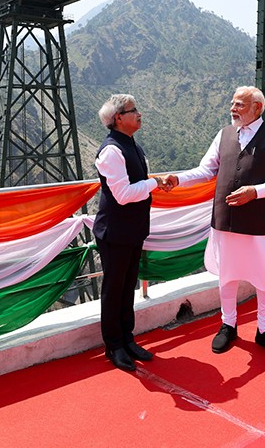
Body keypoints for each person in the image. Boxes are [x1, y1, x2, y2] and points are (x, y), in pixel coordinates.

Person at [164, 86, 265, 358]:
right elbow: (207, 169)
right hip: (225, 220)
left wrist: (256, 191)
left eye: (239, 105)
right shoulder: (224, 135)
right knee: (227, 276)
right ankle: (228, 325)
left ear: (257, 108)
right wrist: (180, 178)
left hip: (260, 223)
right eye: (232, 104)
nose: (233, 109)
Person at [93, 93, 165, 372]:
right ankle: (114, 346)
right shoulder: (111, 150)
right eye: (134, 110)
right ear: (118, 118)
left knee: (127, 287)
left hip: (132, 229)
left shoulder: (131, 145)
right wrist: (154, 184)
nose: (140, 114)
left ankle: (127, 339)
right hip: (115, 231)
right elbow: (123, 194)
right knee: (114, 289)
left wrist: (150, 183)